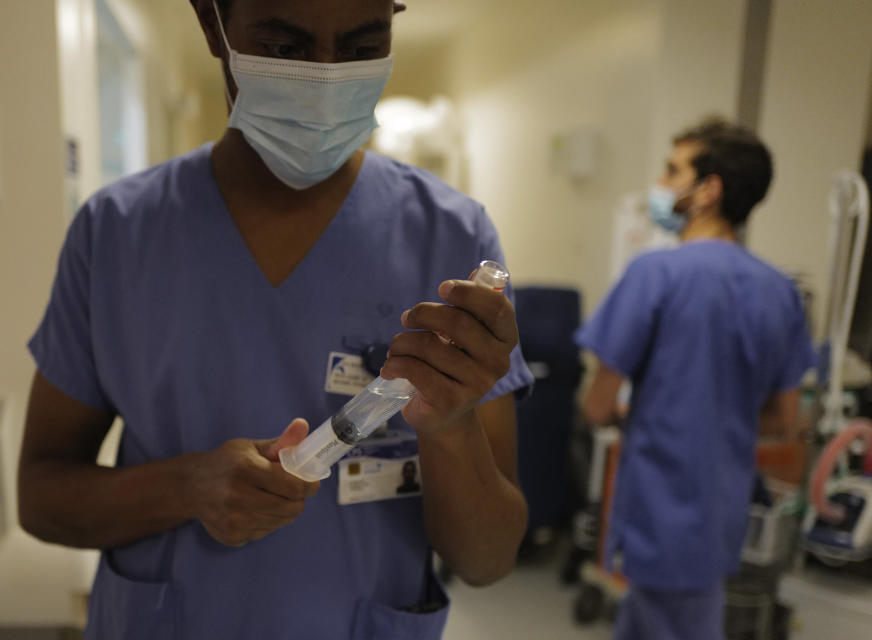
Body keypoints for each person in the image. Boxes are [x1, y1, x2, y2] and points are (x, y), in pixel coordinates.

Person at [17, 1, 533, 638]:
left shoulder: (449, 236)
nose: (325, 77)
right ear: (214, 25)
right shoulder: (118, 234)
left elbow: (488, 560)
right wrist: (186, 487)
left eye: (360, 47)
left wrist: (452, 429)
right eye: (286, 49)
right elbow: (41, 499)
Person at [576, 118, 816, 640]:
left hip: (659, 515)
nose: (661, 184)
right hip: (720, 515)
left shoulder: (654, 275)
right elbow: (783, 420)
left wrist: (647, 414)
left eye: (672, 171)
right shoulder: (780, 292)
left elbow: (597, 406)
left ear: (708, 190)